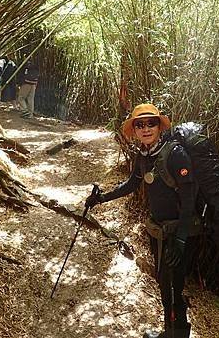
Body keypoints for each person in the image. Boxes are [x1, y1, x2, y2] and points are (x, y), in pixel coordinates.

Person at [86, 103, 201, 338]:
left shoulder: (175, 154)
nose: (146, 128)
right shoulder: (144, 156)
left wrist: (180, 239)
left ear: (159, 126)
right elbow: (131, 184)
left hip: (178, 232)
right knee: (163, 282)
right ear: (135, 130)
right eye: (140, 124)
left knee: (175, 286)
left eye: (151, 123)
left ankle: (177, 334)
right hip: (158, 231)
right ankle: (169, 332)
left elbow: (189, 199)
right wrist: (101, 199)